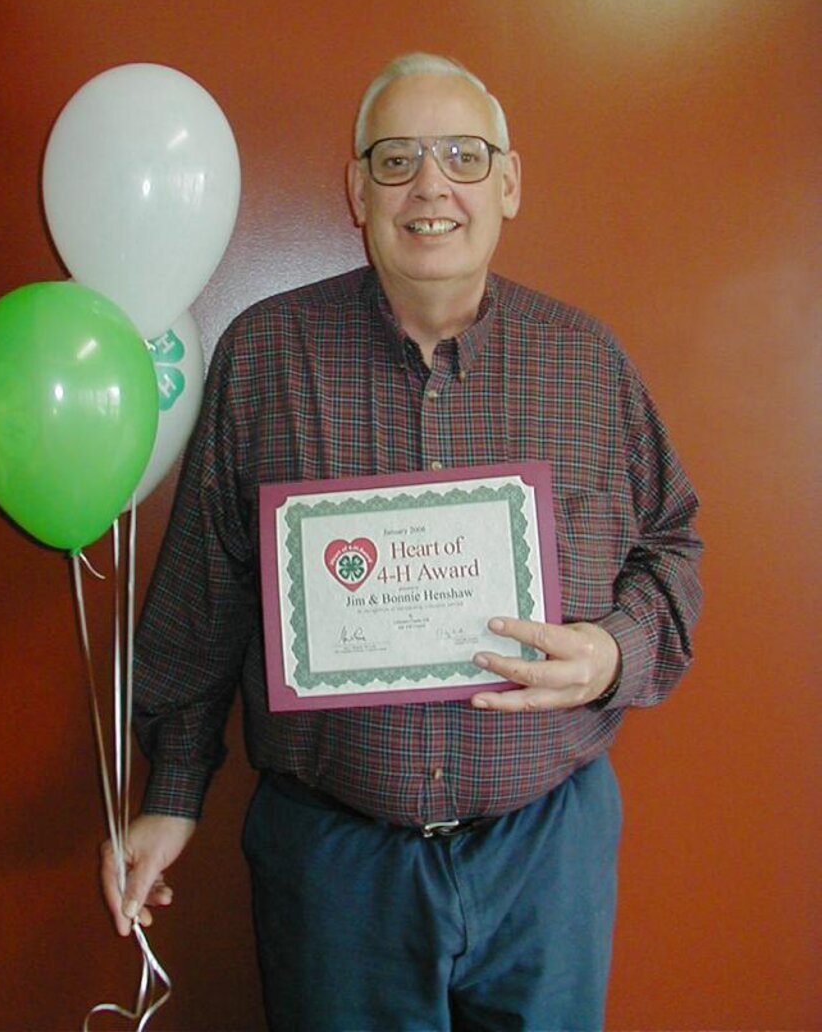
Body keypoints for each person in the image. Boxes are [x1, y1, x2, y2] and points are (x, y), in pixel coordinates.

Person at [101, 52, 703, 1031]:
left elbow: (673, 542)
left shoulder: (587, 361)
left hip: (545, 854)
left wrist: (612, 652)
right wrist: (173, 790)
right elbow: (206, 588)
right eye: (397, 159)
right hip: (336, 866)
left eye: (464, 155)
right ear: (356, 188)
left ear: (508, 181)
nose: (432, 185)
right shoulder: (265, 353)